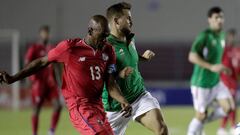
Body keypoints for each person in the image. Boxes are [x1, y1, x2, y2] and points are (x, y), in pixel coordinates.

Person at [0, 15, 132, 135]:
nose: (105, 40)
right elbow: (42, 62)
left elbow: (110, 84)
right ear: (91, 31)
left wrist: (123, 100)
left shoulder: (108, 50)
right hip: (79, 106)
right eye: (102, 35)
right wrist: (13, 78)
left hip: (97, 107)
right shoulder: (70, 48)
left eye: (107, 36)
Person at [102, 2, 168, 135]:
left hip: (138, 96)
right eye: (128, 18)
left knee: (162, 130)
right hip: (116, 108)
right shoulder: (105, 47)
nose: (131, 21)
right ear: (116, 21)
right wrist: (119, 75)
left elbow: (127, 57)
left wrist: (142, 58)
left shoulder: (130, 38)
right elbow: (106, 81)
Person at [187, 7, 235, 135]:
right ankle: (194, 129)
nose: (219, 20)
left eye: (221, 17)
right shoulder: (205, 36)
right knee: (200, 115)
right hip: (201, 83)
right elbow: (191, 56)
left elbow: (216, 58)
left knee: (229, 107)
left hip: (215, 82)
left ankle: (201, 123)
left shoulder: (222, 36)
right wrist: (211, 67)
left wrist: (223, 67)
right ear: (209, 20)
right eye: (216, 18)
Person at [24, 25, 62, 135]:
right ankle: (34, 133)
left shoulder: (51, 48)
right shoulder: (34, 48)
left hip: (50, 83)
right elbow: (27, 64)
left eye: (47, 33)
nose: (46, 35)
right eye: (44, 33)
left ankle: (51, 131)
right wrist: (30, 79)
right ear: (40, 34)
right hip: (39, 83)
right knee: (37, 107)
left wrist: (59, 80)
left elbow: (57, 65)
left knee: (58, 106)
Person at [217, 29, 240, 135]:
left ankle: (226, 127)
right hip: (225, 81)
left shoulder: (237, 50)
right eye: (231, 36)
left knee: (232, 105)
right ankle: (226, 127)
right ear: (228, 37)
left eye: (234, 36)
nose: (232, 38)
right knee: (229, 105)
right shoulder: (224, 50)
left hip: (234, 82)